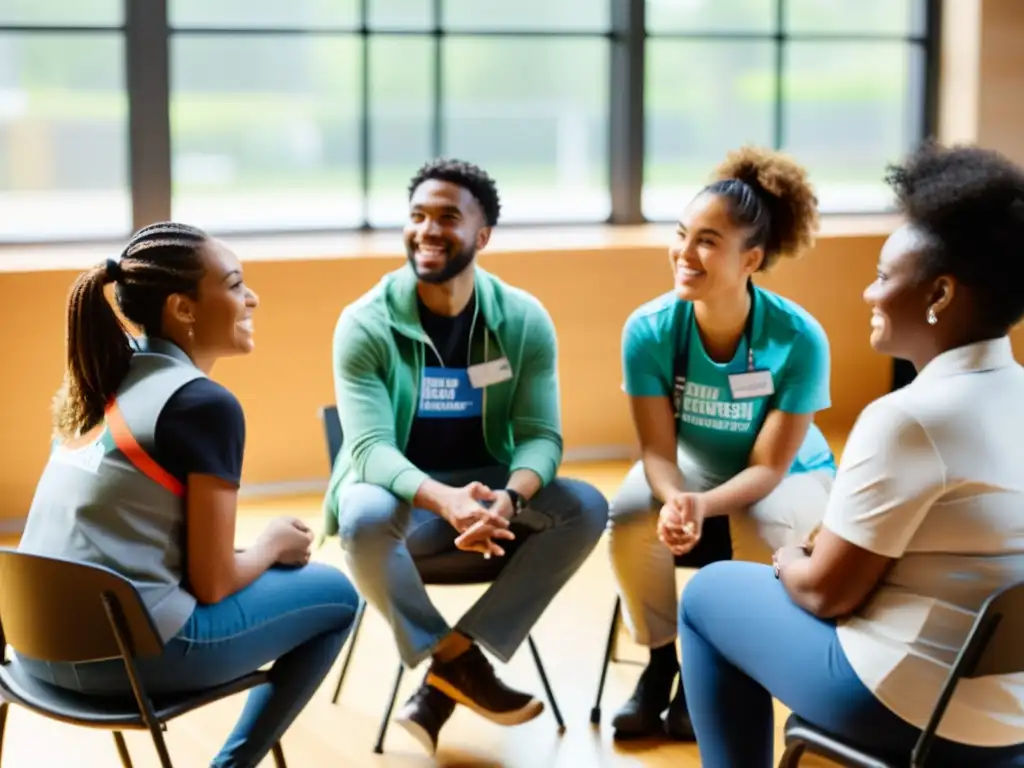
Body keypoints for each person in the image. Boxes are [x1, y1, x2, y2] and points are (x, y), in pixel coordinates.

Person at [678, 142, 1024, 767]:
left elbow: (826, 596)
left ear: (940, 294)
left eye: (885, 276)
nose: (869, 293)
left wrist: (788, 559)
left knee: (708, 595)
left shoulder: (909, 419)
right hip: (1012, 716)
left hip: (911, 707)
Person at [16, 222, 360, 768]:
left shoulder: (105, 373)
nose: (252, 298)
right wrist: (270, 544)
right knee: (340, 596)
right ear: (183, 309)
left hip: (30, 650)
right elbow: (213, 581)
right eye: (234, 284)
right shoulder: (204, 404)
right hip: (129, 660)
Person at [321, 158, 609, 755]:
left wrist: (509, 498)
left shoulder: (522, 320)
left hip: (488, 490)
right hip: (407, 496)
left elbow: (540, 436)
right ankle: (455, 661)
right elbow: (369, 449)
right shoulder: (365, 324)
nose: (427, 229)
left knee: (584, 506)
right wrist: (446, 501)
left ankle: (451, 673)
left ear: (482, 236)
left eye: (447, 217)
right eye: (417, 215)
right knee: (363, 518)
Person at [608, 147, 836, 741]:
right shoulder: (650, 329)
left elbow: (768, 465)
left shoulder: (798, 339)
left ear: (751, 258)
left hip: (792, 477)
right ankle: (661, 665)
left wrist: (698, 508)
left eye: (708, 241)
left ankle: (716, 675)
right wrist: (677, 498)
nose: (685, 253)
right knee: (632, 512)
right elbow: (657, 452)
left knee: (759, 522)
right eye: (682, 234)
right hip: (694, 467)